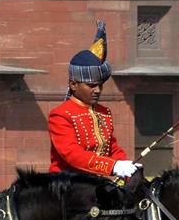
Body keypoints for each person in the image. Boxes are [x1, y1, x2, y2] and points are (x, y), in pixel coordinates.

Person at [48, 23, 138, 179]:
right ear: (73, 84)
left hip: (97, 183)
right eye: (91, 85)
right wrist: (113, 167)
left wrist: (128, 168)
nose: (97, 90)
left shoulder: (104, 112)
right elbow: (72, 154)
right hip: (66, 186)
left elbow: (112, 148)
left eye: (100, 85)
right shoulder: (60, 115)